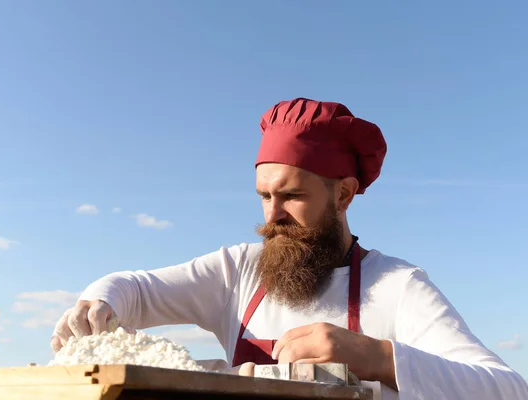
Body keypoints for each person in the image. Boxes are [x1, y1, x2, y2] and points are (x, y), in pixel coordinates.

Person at [51, 98, 528, 399]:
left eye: (293, 196)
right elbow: (135, 289)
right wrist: (99, 303)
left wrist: (377, 358)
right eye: (264, 196)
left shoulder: (398, 287)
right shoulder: (238, 270)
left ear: (342, 194)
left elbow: (507, 389)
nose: (272, 215)